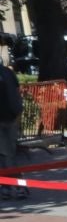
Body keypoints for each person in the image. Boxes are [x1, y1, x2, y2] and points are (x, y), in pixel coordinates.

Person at [1, 35, 26, 201]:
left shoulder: (7, 74)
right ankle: (9, 186)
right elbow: (17, 94)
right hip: (10, 117)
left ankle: (15, 186)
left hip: (6, 118)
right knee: (7, 154)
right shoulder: (8, 73)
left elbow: (15, 94)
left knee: (7, 154)